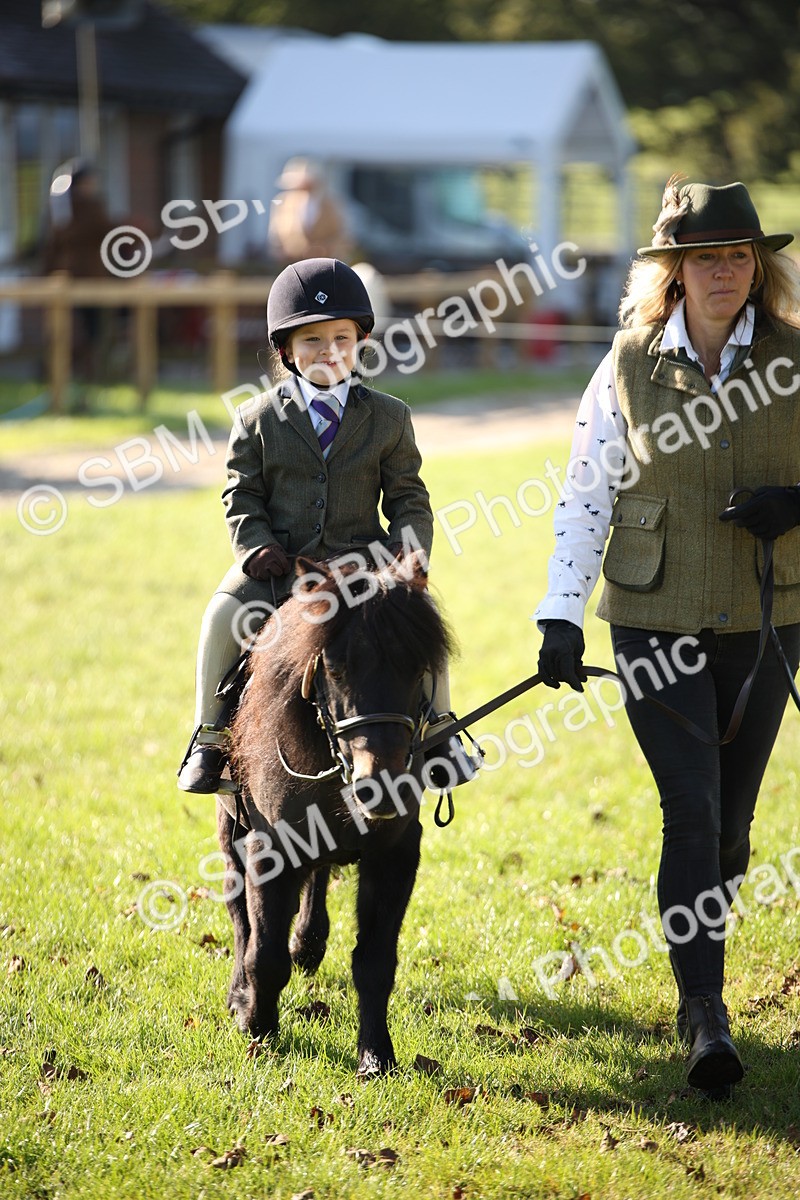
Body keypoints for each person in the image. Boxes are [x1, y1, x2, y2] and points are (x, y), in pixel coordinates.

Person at [534, 178, 800, 1098]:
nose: (724, 271)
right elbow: (585, 495)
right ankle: (705, 1018)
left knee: (730, 824)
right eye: (704, 257)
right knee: (690, 810)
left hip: (771, 622)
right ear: (674, 270)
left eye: (738, 255)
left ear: (757, 264)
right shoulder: (626, 364)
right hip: (655, 622)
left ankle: (707, 963)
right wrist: (560, 616)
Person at [178, 256, 479, 796]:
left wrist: (406, 558)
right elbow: (239, 493)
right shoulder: (257, 419)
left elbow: (409, 497)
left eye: (340, 337)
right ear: (285, 350)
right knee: (222, 612)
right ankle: (210, 737)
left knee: (421, 618)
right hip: (279, 567)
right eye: (311, 340)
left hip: (363, 569)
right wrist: (256, 548)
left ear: (361, 341)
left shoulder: (389, 417)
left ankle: (439, 729)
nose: (328, 351)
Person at [42, 160, 118, 384]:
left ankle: (82, 373)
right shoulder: (87, 208)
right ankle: (84, 373)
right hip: (82, 277)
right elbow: (105, 233)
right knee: (84, 330)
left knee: (80, 329)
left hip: (70, 277)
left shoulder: (62, 210)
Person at [268, 159, 351, 266]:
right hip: (291, 265)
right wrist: (282, 253)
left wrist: (325, 249)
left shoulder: (332, 204)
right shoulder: (283, 203)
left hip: (323, 266)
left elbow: (343, 235)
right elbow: (275, 237)